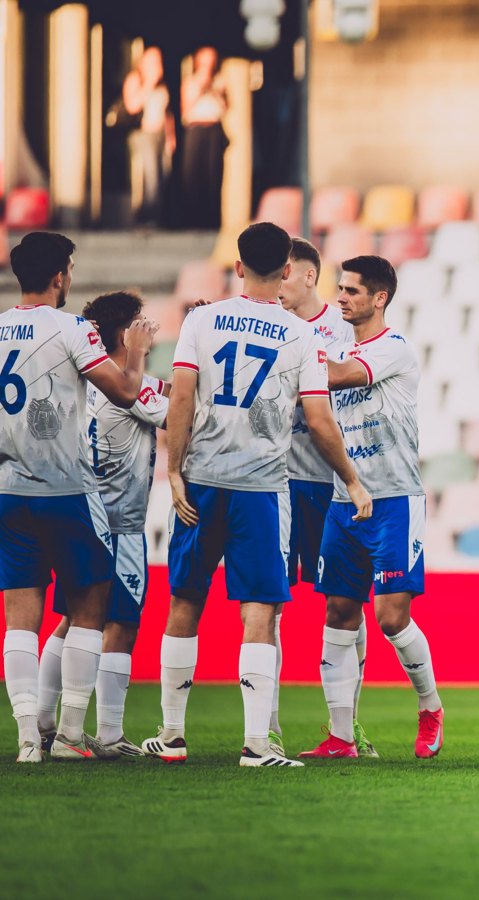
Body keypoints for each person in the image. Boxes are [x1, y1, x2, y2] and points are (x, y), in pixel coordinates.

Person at [141, 223, 372, 768]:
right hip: (263, 489)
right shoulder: (301, 336)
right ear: (287, 270)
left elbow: (181, 397)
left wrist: (174, 471)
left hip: (201, 481)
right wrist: (352, 478)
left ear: (238, 266)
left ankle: (172, 735)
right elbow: (319, 420)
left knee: (185, 600)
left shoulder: (201, 319)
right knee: (260, 610)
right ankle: (256, 745)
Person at [1, 232, 158, 763]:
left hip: (9, 490)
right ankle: (70, 735)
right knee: (90, 608)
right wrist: (137, 353)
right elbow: (126, 391)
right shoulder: (72, 329)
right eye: (69, 268)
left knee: (20, 619)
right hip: (67, 490)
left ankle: (28, 739)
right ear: (59, 275)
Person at [297, 256, 443, 761]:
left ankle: (430, 706)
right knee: (338, 611)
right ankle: (341, 737)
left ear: (379, 298)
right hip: (344, 499)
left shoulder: (394, 348)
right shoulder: (335, 346)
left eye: (352, 290)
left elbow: (336, 376)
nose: (341, 297)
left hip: (395, 500)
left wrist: (288, 361)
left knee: (390, 618)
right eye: (340, 288)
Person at [39, 292, 170, 758]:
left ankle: (43, 722)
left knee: (70, 619)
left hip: (81, 514)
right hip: (121, 523)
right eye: (140, 322)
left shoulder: (87, 379)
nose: (149, 328)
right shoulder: (134, 388)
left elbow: (170, 390)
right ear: (123, 333)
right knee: (122, 623)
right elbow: (184, 411)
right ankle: (109, 734)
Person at [271, 237, 378, 756]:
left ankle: (347, 726)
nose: (276, 285)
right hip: (275, 482)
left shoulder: (344, 329)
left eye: (283, 275)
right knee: (266, 605)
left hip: (331, 483)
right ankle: (266, 728)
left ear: (307, 275)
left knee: (344, 604)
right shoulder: (266, 324)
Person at [123, 47, 174, 226]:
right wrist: (150, 82)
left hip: (160, 133)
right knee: (151, 175)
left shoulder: (162, 84)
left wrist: (170, 136)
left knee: (163, 174)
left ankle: (158, 216)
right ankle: (147, 217)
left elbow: (167, 112)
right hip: (144, 134)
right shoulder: (135, 79)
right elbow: (132, 106)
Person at [180, 46, 229, 230]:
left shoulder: (220, 80)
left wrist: (215, 90)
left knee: (214, 174)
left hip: (214, 129)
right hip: (195, 128)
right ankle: (192, 220)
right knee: (193, 174)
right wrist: (202, 86)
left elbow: (226, 107)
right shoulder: (190, 81)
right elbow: (185, 108)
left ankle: (212, 221)